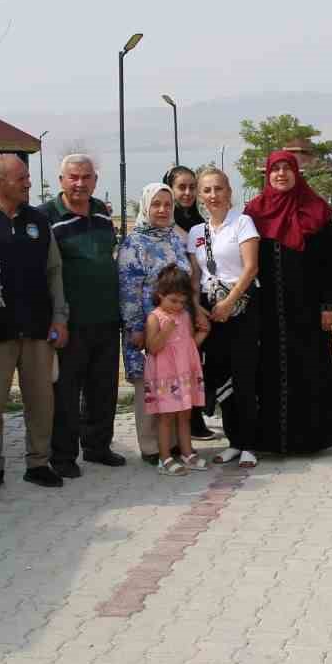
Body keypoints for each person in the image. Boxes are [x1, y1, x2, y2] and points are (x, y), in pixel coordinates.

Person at [0, 155, 69, 492]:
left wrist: (60, 316)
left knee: (41, 399)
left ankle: (38, 462)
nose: (29, 183)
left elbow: (54, 271)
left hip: (39, 328)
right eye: (22, 178)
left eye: (28, 178)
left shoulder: (39, 221)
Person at [244, 151, 332, 454]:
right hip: (267, 309)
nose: (281, 175)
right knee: (267, 371)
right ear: (267, 174)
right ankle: (269, 440)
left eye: (287, 169)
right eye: (276, 169)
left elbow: (330, 262)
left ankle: (311, 439)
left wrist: (329, 305)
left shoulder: (317, 211)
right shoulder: (254, 212)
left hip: (307, 309)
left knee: (308, 369)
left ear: (297, 173)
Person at [45, 154, 126, 473]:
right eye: (73, 177)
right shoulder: (46, 216)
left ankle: (98, 447)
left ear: (95, 180)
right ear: (61, 180)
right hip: (70, 322)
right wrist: (56, 318)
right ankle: (63, 456)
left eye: (86, 177)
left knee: (103, 388)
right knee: (65, 392)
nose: (80, 183)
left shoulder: (103, 214)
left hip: (106, 318)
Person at [186, 168, 262, 468]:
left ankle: (250, 444)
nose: (213, 196)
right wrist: (197, 306)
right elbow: (195, 276)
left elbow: (251, 267)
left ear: (229, 191)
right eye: (207, 190)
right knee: (220, 375)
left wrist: (230, 302)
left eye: (218, 189)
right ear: (200, 196)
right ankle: (233, 441)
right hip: (209, 309)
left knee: (244, 374)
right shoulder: (196, 232)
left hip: (240, 305)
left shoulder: (242, 223)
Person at [118, 182, 199, 462]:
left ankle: (175, 443)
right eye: (156, 204)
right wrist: (136, 327)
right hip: (148, 328)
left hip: (178, 330)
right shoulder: (134, 242)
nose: (162, 210)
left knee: (175, 382)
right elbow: (129, 289)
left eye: (167, 204)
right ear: (145, 206)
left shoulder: (175, 238)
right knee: (150, 384)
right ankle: (152, 446)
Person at [163, 164, 216, 441]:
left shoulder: (198, 223)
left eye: (191, 187)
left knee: (196, 364)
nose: (187, 193)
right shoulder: (165, 222)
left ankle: (195, 419)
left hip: (198, 302)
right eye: (181, 187)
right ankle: (176, 428)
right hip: (171, 307)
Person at [144, 265, 211, 475]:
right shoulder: (155, 317)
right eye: (173, 300)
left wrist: (204, 334)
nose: (178, 306)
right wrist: (166, 331)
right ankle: (164, 458)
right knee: (166, 418)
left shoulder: (184, 316)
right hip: (165, 377)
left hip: (185, 374)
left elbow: (188, 343)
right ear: (160, 295)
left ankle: (187, 453)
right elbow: (153, 347)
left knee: (185, 415)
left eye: (182, 302)